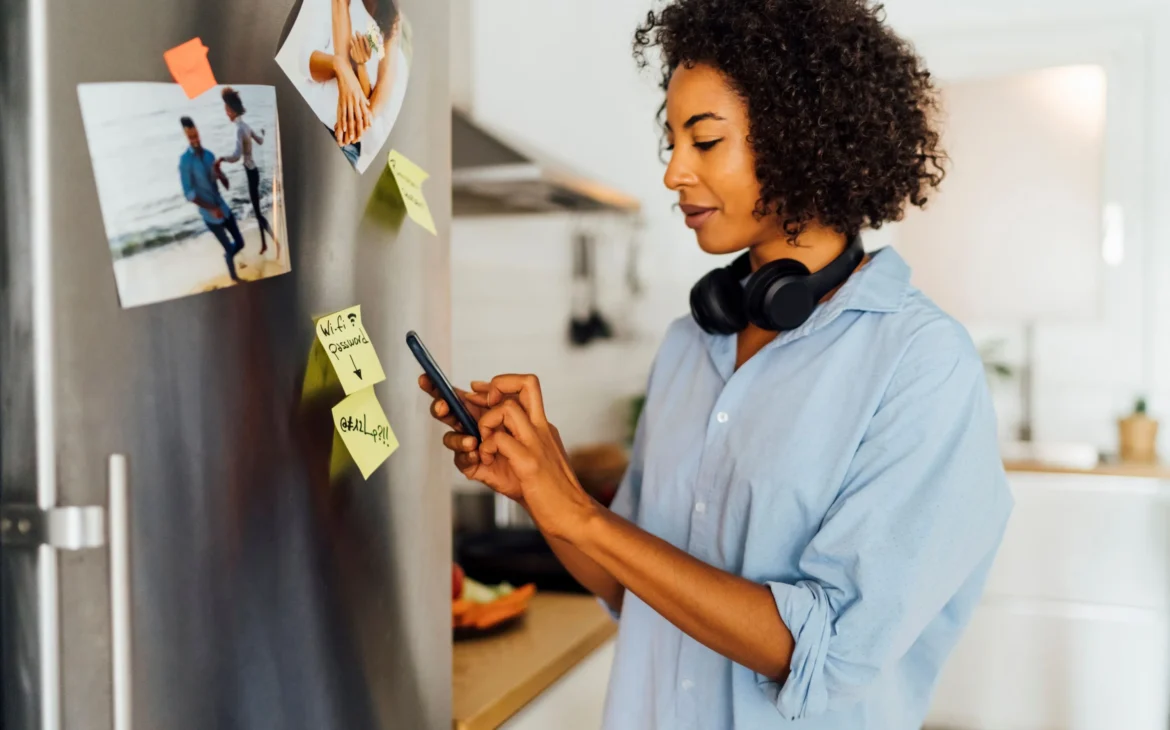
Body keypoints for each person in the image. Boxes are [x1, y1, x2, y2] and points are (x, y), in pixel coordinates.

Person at [421, 1, 1014, 729]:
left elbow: (818, 650)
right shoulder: (688, 345)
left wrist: (581, 511)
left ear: (804, 140)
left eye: (704, 141)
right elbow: (625, 584)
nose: (674, 172)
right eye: (671, 140)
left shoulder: (922, 365)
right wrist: (547, 495)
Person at [293, 0, 402, 167]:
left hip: (347, 144)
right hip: (308, 118)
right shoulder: (333, 5)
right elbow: (304, 62)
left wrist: (360, 67)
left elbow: (376, 105)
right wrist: (341, 66)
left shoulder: (390, 25)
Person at [178, 116, 244, 283]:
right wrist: (211, 209)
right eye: (190, 136)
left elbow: (226, 184)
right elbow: (189, 194)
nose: (195, 139)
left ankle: (228, 257)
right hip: (210, 216)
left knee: (240, 243)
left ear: (198, 132)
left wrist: (220, 173)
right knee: (229, 248)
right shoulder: (185, 162)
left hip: (223, 207)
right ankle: (235, 278)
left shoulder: (209, 155)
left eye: (196, 134)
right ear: (186, 136)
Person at [216, 87, 277, 257]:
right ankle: (265, 244)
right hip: (254, 171)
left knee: (258, 213)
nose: (226, 113)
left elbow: (236, 156)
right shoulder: (247, 126)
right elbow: (260, 141)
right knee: (257, 212)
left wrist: (222, 159)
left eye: (226, 110)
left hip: (251, 173)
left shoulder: (239, 129)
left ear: (231, 110)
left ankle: (275, 243)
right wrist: (263, 133)